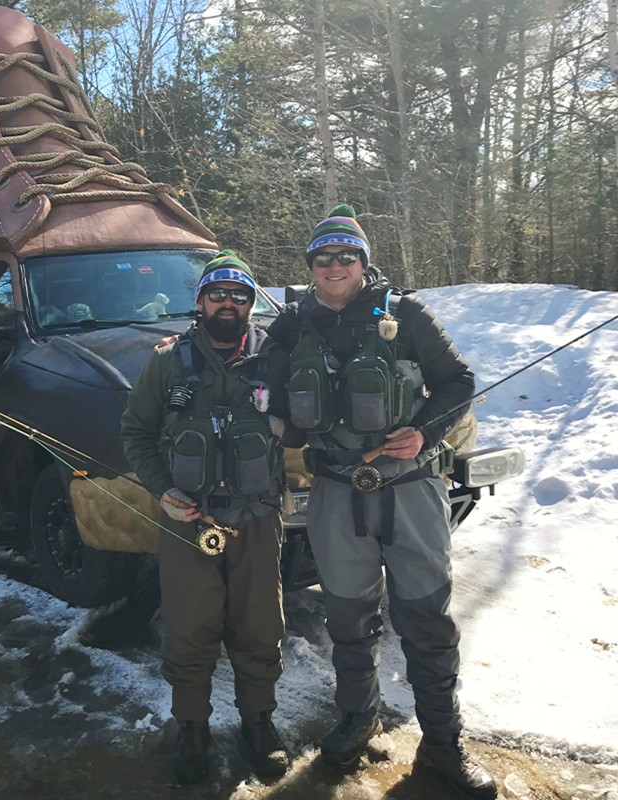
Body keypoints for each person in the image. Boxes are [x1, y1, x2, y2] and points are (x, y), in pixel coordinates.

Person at [266, 205, 498, 800]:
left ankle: (443, 747)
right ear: (311, 267)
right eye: (323, 258)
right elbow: (262, 387)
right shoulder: (292, 326)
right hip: (336, 493)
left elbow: (458, 381)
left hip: (410, 489)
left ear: (363, 262)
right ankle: (357, 721)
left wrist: (424, 432)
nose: (335, 266)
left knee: (425, 620)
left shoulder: (408, 315)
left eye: (347, 256)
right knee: (348, 620)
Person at [120, 251, 291, 785]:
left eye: (239, 295)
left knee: (260, 626)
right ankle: (191, 724)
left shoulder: (275, 356)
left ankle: (259, 723)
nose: (228, 303)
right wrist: (163, 489)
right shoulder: (168, 361)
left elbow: (308, 423)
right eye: (217, 293)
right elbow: (136, 433)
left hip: (258, 518)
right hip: (187, 521)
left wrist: (287, 423)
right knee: (190, 628)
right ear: (199, 302)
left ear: (250, 304)